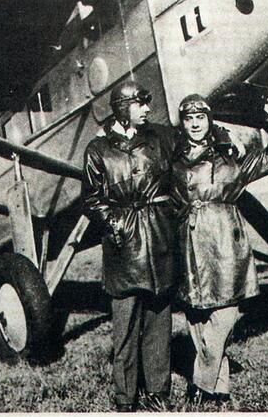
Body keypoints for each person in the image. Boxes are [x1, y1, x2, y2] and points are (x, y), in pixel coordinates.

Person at [170, 93, 268, 403]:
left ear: (209, 120)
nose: (195, 124)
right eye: (189, 120)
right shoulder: (172, 161)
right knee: (197, 316)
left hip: (226, 239)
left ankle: (200, 381)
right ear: (183, 124)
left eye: (200, 118)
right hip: (189, 240)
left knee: (226, 312)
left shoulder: (231, 159)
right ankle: (219, 389)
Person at [82, 80, 177, 411]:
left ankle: (158, 394)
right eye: (141, 103)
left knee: (158, 327)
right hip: (124, 248)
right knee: (124, 333)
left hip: (159, 240)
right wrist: (114, 223)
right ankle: (125, 401)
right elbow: (92, 200)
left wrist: (222, 137)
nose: (148, 109)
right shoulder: (97, 150)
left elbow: (195, 142)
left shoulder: (161, 138)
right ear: (123, 108)